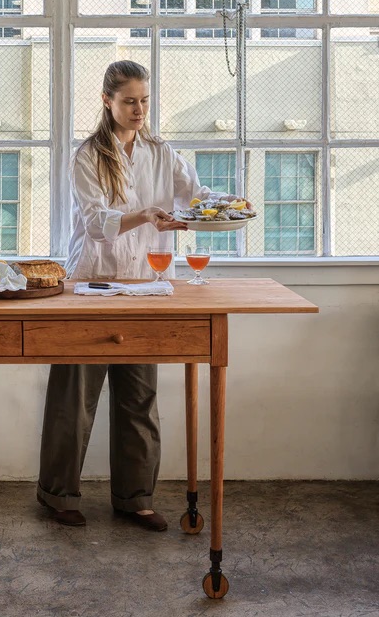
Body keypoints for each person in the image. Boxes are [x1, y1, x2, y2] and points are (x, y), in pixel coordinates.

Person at [36, 59, 242, 531]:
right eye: (129, 101)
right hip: (91, 282)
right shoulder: (86, 155)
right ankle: (58, 495)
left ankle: (135, 498)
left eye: (144, 101)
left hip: (147, 283)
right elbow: (95, 223)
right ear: (107, 101)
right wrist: (147, 213)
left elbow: (194, 196)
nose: (139, 110)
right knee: (75, 399)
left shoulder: (161, 151)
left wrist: (226, 207)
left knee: (139, 397)